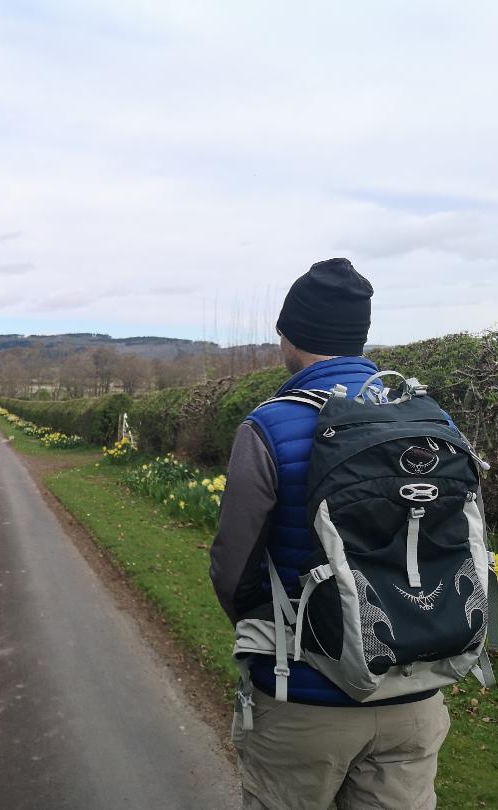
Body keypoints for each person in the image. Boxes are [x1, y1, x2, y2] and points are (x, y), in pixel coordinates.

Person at [209, 258, 451, 810]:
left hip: (304, 700)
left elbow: (233, 566)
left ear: (288, 336)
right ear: (359, 338)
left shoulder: (269, 425)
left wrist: (275, 639)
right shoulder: (431, 420)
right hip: (413, 692)